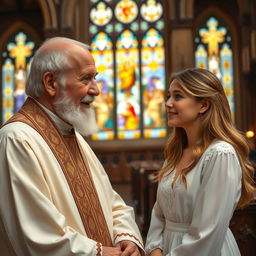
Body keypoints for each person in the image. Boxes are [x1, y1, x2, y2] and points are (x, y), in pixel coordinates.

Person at [0, 37, 144, 256]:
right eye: (85, 79)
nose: (96, 90)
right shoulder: (17, 139)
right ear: (50, 83)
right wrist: (105, 253)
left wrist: (126, 238)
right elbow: (38, 235)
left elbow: (111, 202)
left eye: (94, 78)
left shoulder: (70, 132)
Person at [145, 68, 255, 256]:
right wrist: (154, 248)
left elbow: (208, 233)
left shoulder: (220, 155)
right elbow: (159, 213)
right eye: (168, 96)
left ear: (203, 105)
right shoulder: (175, 154)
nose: (168, 103)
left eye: (177, 97)